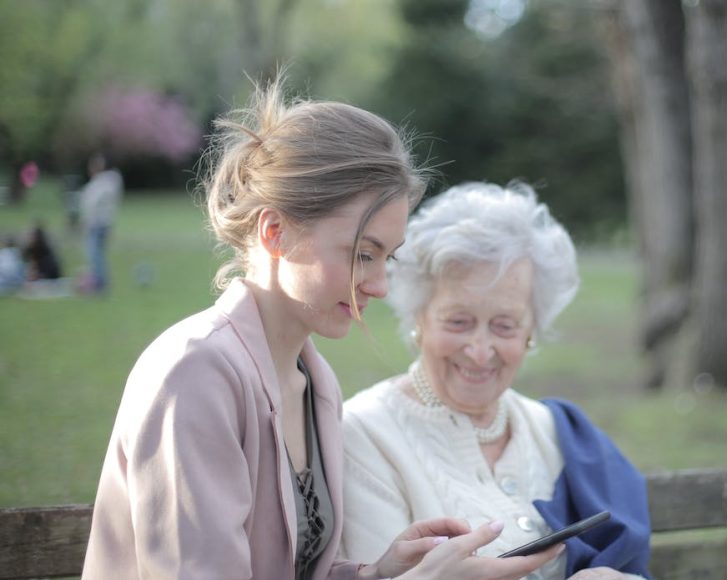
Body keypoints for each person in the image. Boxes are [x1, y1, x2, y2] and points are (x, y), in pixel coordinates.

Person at [82, 79, 560, 580]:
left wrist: (375, 573)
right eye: (361, 254)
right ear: (275, 232)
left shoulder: (316, 382)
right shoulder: (194, 374)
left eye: (386, 258)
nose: (378, 285)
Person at [340, 182, 651, 579]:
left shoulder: (555, 431)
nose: (480, 350)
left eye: (504, 326)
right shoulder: (365, 436)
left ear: (531, 331)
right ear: (419, 317)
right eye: (458, 321)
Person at [78, 152, 123, 293]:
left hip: (97, 224)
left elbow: (92, 205)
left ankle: (100, 284)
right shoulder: (108, 182)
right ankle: (99, 282)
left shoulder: (102, 184)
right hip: (104, 223)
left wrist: (85, 221)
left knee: (94, 254)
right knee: (97, 254)